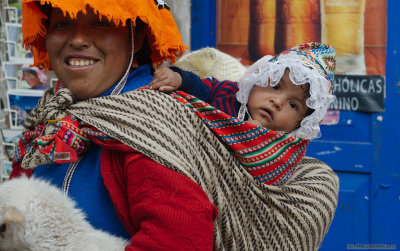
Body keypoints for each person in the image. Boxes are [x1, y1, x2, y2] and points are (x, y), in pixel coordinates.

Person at [9, 0, 339, 250]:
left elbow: (177, 238)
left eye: (100, 21)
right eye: (62, 23)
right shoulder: (53, 118)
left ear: (135, 37)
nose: (78, 39)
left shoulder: (153, 123)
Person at [149, 42, 336, 140]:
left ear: (302, 123)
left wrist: (252, 141)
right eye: (276, 86)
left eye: (293, 104)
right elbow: (199, 87)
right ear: (257, 78)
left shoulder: (282, 146)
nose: (277, 102)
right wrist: (178, 78)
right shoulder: (227, 93)